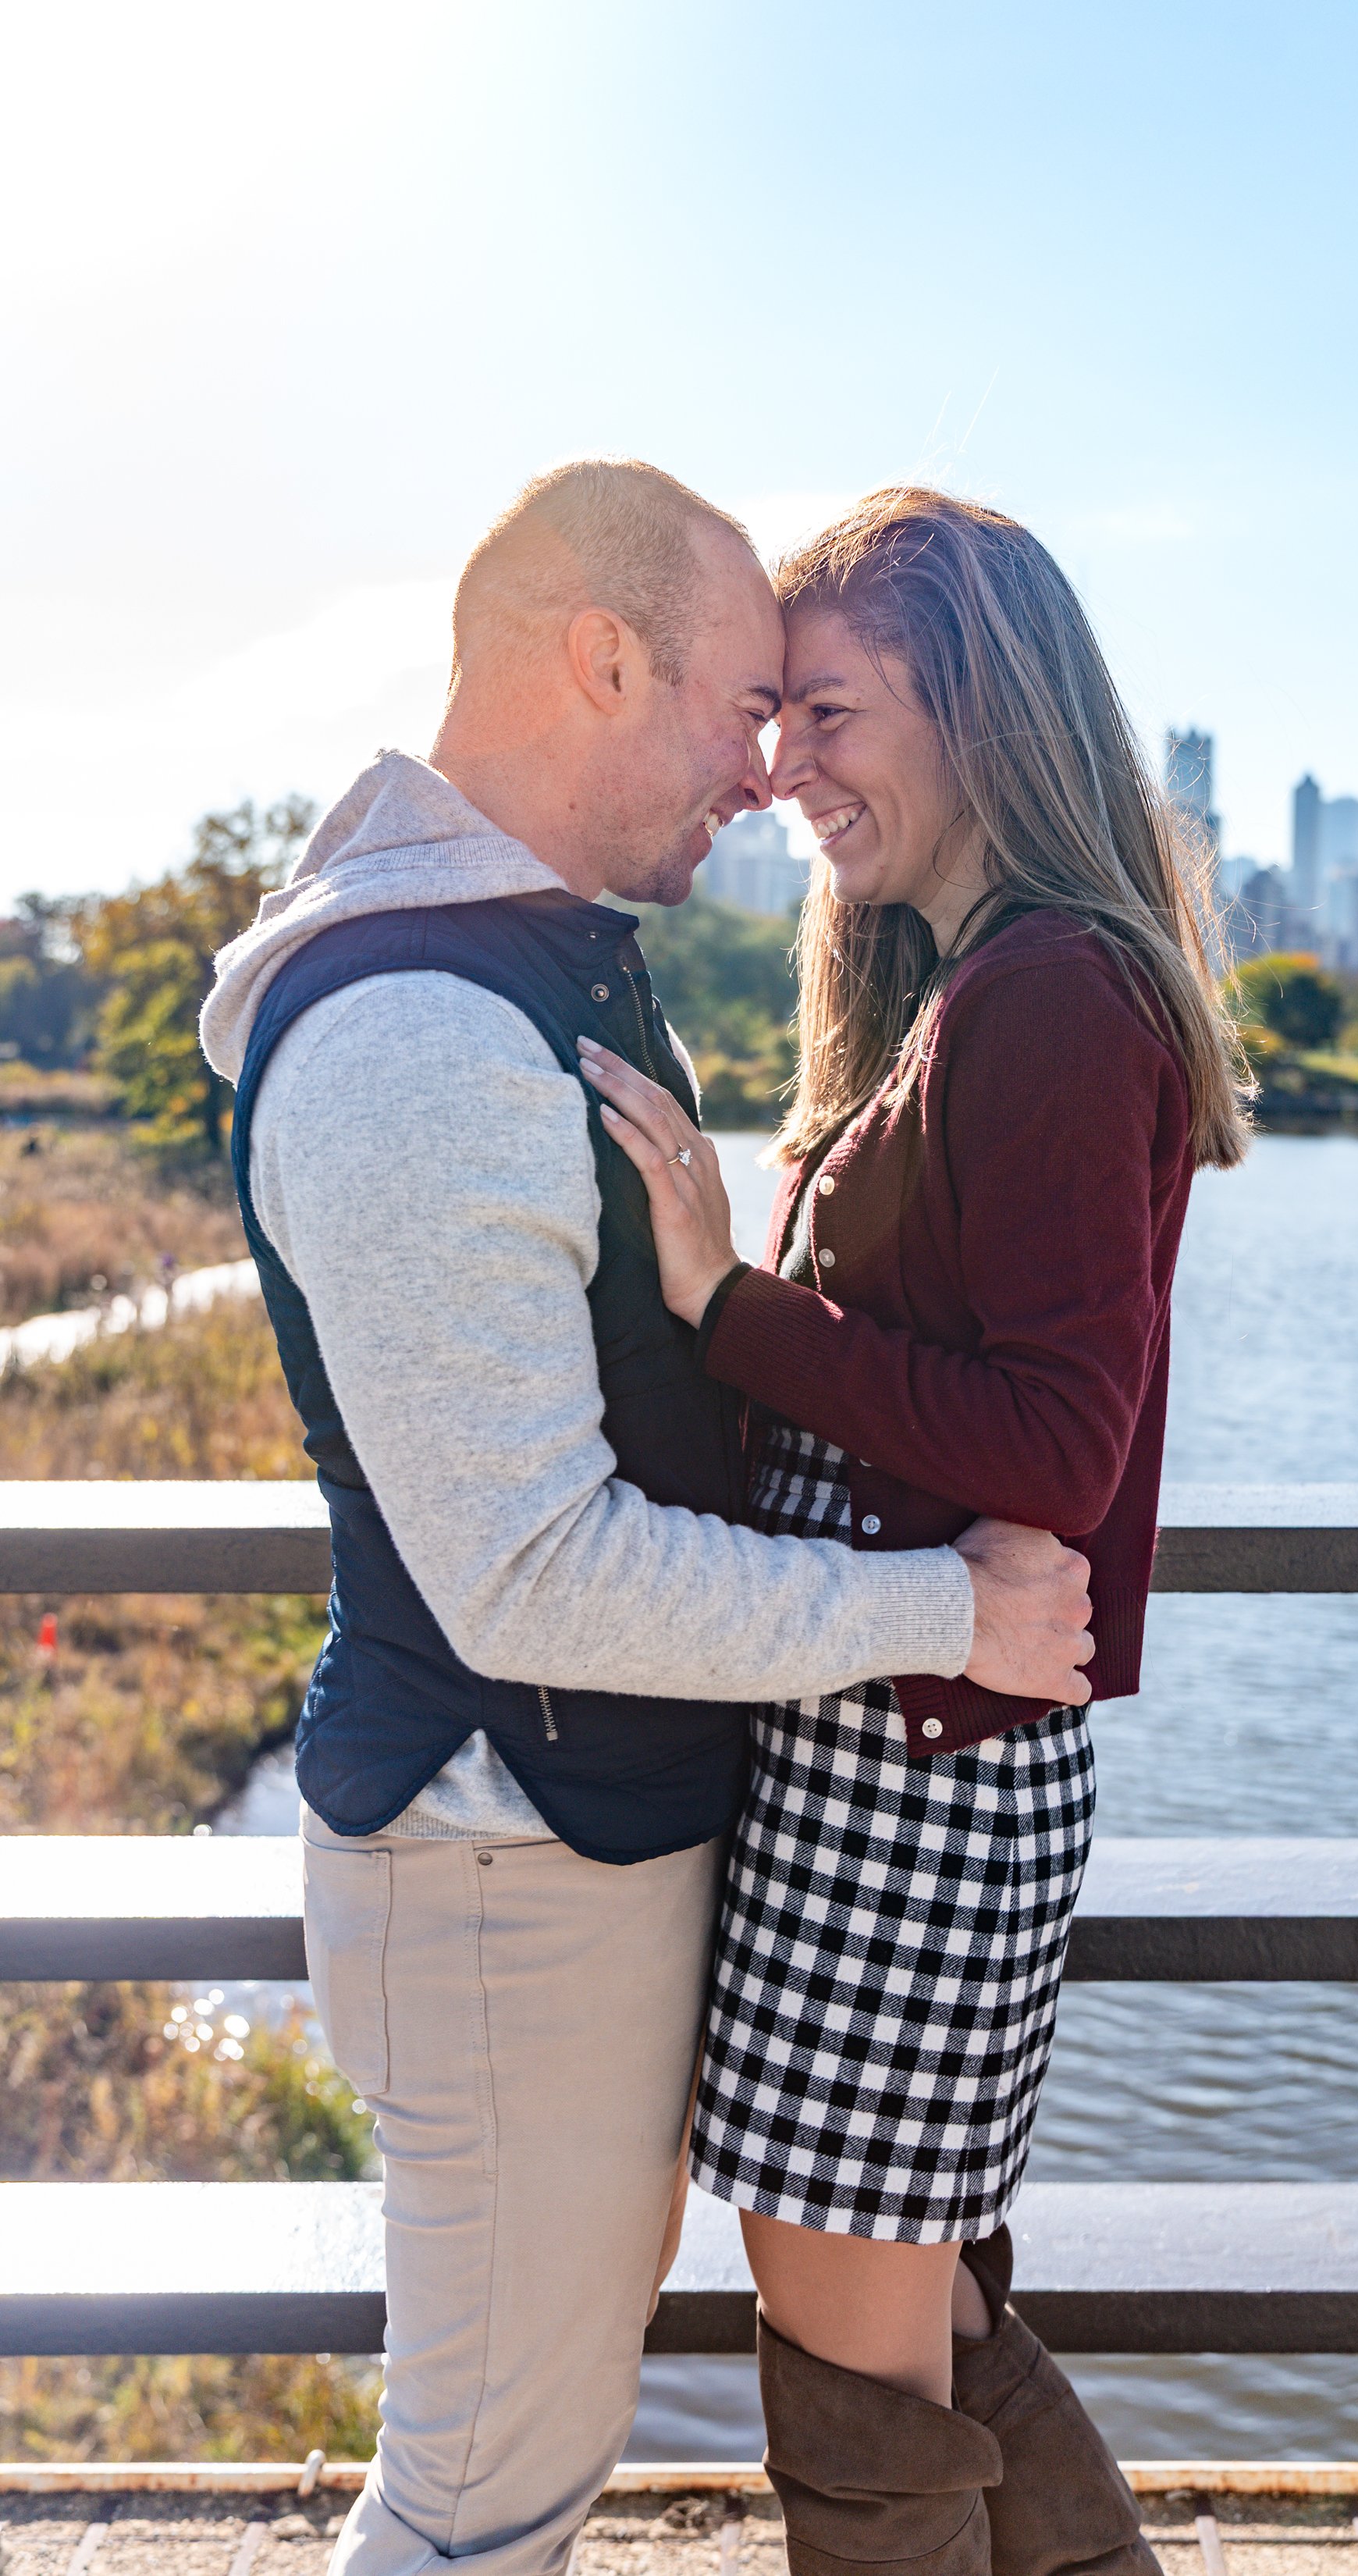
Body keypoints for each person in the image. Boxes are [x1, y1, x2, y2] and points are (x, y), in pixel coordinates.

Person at [198, 460, 1096, 2576]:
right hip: (504, 1855)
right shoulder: (422, 1027)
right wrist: (931, 1611)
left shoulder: (532, 969)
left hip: (558, 1843)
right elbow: (534, 1562)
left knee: (525, 2461)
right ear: (596, 656)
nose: (762, 773)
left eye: (807, 716)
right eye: (733, 705)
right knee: (482, 2494)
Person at [583, 486, 1249, 2576]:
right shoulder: (985, 985)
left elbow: (1056, 1442)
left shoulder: (1047, 993)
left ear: (977, 703)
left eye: (834, 713)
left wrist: (724, 1305)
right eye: (774, 716)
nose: (787, 769)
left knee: (860, 2374)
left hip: (915, 1782)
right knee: (915, 2338)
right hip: (896, 1755)